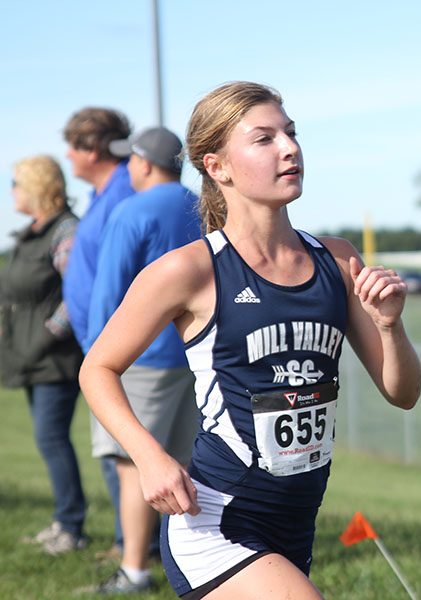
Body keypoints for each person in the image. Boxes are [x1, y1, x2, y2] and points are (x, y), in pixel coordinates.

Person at [80, 81, 421, 599]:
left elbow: (403, 393)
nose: (290, 148)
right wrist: (150, 457)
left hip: (295, 524)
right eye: (264, 139)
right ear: (217, 167)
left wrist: (390, 325)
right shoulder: (189, 270)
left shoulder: (338, 260)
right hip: (214, 522)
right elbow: (97, 369)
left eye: (291, 134)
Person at [84, 126, 202, 594]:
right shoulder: (202, 204)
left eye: (130, 160)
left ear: (145, 164)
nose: (127, 169)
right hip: (195, 354)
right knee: (184, 462)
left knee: (136, 462)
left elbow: (108, 293)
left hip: (142, 360)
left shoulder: (132, 209)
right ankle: (195, 562)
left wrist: (97, 360)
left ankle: (134, 569)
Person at [1, 155, 87, 555]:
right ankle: (63, 523)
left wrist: (44, 336)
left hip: (54, 358)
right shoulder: (31, 232)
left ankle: (71, 528)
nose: (12, 191)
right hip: (31, 358)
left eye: (16, 183)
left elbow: (75, 296)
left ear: (36, 186)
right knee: (48, 439)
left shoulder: (65, 230)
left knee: (52, 439)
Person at [62, 107, 134, 559]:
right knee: (114, 452)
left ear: (91, 148)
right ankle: (130, 540)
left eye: (71, 146)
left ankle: (136, 545)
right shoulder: (101, 193)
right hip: (99, 345)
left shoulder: (126, 191)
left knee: (125, 452)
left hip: (123, 349)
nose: (67, 157)